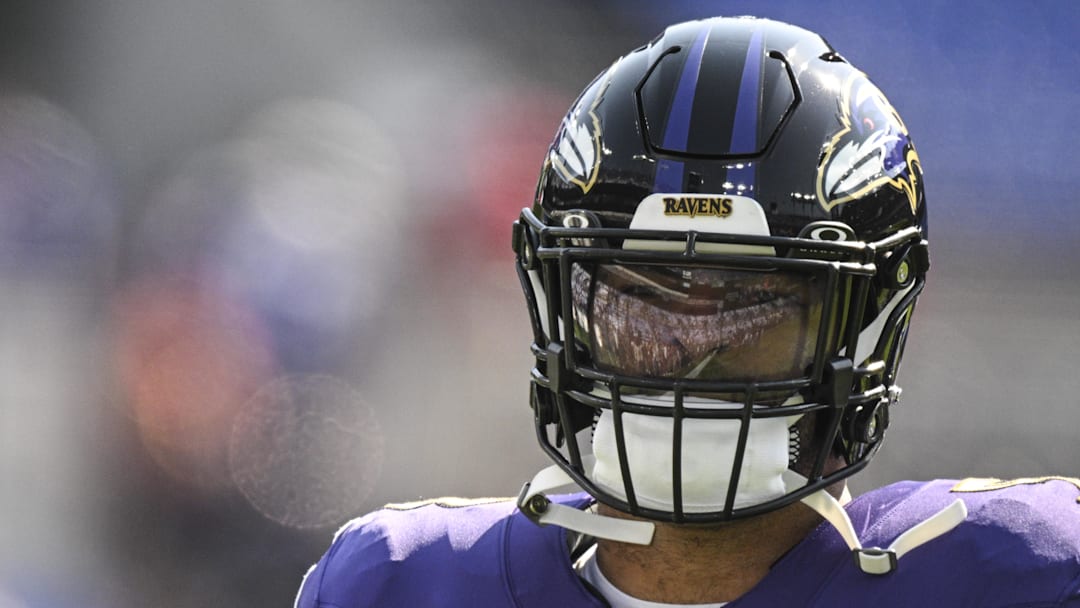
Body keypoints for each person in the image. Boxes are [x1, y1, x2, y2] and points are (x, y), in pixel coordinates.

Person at [295, 16, 1080, 607]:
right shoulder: (399, 583)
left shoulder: (1018, 572)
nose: (685, 356)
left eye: (747, 309)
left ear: (870, 322)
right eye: (643, 298)